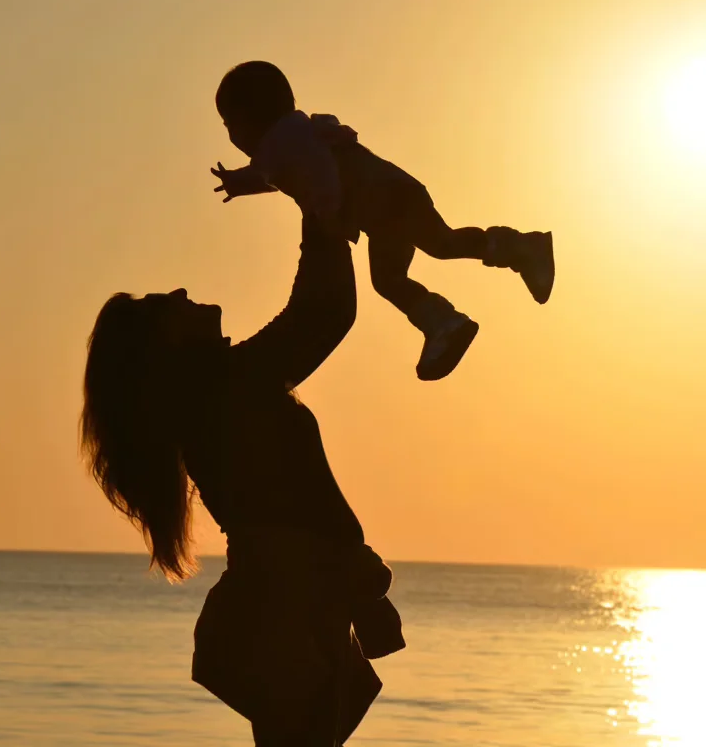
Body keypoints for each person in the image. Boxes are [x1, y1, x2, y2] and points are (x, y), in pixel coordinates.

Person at [80, 211, 404, 745]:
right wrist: (317, 204)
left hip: (290, 598)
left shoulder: (218, 390)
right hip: (285, 604)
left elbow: (322, 314)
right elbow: (322, 314)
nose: (183, 291)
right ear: (166, 348)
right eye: (167, 305)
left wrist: (321, 210)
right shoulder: (224, 388)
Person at [210, 60, 555, 381]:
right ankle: (452, 315)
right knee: (418, 259)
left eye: (229, 125)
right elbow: (276, 174)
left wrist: (327, 211)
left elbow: (317, 170)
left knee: (428, 252)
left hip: (385, 201)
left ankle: (471, 297)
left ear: (249, 118)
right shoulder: (292, 137)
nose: (231, 136)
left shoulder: (281, 143)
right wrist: (240, 183)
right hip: (387, 203)